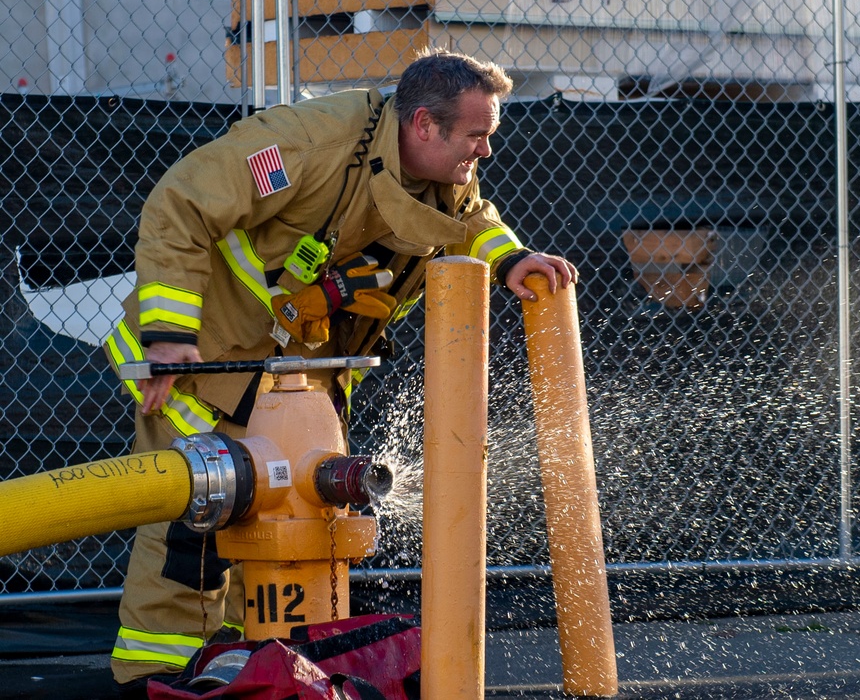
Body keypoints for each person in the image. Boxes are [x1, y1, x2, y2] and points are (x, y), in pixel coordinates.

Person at [101, 47, 577, 696]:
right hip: (195, 364)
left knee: (272, 534)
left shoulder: (434, 169)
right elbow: (181, 204)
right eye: (476, 136)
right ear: (423, 127)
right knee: (192, 538)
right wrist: (169, 335)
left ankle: (248, 676)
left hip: (286, 383)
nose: (484, 152)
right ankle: (154, 681)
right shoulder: (309, 145)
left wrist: (511, 258)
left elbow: (468, 218)